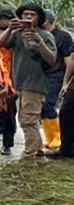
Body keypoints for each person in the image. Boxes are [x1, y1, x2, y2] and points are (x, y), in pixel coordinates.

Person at [0, 4, 58, 158]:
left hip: (36, 83)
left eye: (32, 15)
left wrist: (39, 42)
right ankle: (36, 150)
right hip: (19, 83)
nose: (28, 18)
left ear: (39, 18)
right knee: (25, 118)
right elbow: (0, 43)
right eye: (25, 15)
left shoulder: (45, 36)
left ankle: (29, 153)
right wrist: (10, 29)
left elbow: (52, 60)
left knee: (28, 120)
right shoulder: (17, 34)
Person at [42, 14, 73, 152]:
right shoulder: (39, 34)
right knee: (47, 109)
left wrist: (65, 80)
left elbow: (68, 59)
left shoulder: (62, 37)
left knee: (49, 106)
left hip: (57, 76)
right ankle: (55, 141)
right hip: (43, 76)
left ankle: (58, 139)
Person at [0, 10, 18, 155]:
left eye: (7, 19)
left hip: (9, 79)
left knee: (9, 112)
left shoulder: (16, 37)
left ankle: (8, 143)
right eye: (1, 19)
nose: (3, 22)